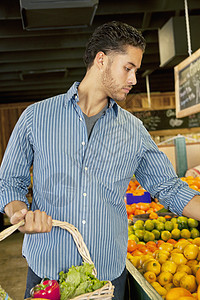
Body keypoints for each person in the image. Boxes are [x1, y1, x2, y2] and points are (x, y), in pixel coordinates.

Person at [0, 21, 200, 300]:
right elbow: (10, 180)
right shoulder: (37, 118)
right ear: (101, 60)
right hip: (47, 272)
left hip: (107, 275)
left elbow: (169, 187)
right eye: (128, 68)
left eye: (136, 71)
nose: (133, 79)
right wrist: (19, 212)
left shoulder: (133, 131)